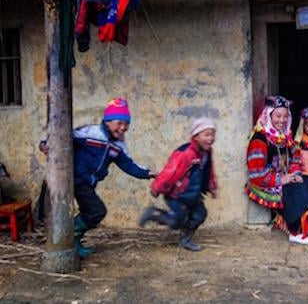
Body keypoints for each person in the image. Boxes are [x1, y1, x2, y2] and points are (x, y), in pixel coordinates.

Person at [39, 98, 157, 257]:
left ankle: (72, 238)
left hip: (88, 183)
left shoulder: (119, 144)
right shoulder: (90, 133)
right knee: (94, 211)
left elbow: (128, 165)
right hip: (72, 179)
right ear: (107, 121)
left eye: (126, 124)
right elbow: (62, 137)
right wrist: (46, 144)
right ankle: (69, 237)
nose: (123, 128)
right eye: (119, 123)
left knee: (93, 212)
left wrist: (147, 173)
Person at [246, 96, 308, 245]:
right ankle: (295, 231)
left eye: (285, 116)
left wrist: (294, 173)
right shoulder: (259, 139)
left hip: (285, 177)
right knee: (295, 190)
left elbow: (295, 155)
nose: (282, 120)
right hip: (265, 183)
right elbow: (256, 175)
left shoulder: (285, 136)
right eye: (277, 116)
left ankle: (304, 224)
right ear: (269, 116)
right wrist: (282, 179)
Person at [139, 117, 217, 252]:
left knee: (200, 215)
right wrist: (157, 187)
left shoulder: (207, 152)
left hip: (193, 193)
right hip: (177, 194)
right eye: (207, 134)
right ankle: (153, 214)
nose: (210, 138)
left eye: (212, 134)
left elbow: (209, 170)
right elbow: (170, 171)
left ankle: (186, 239)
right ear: (196, 136)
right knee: (176, 221)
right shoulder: (185, 154)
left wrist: (211, 186)